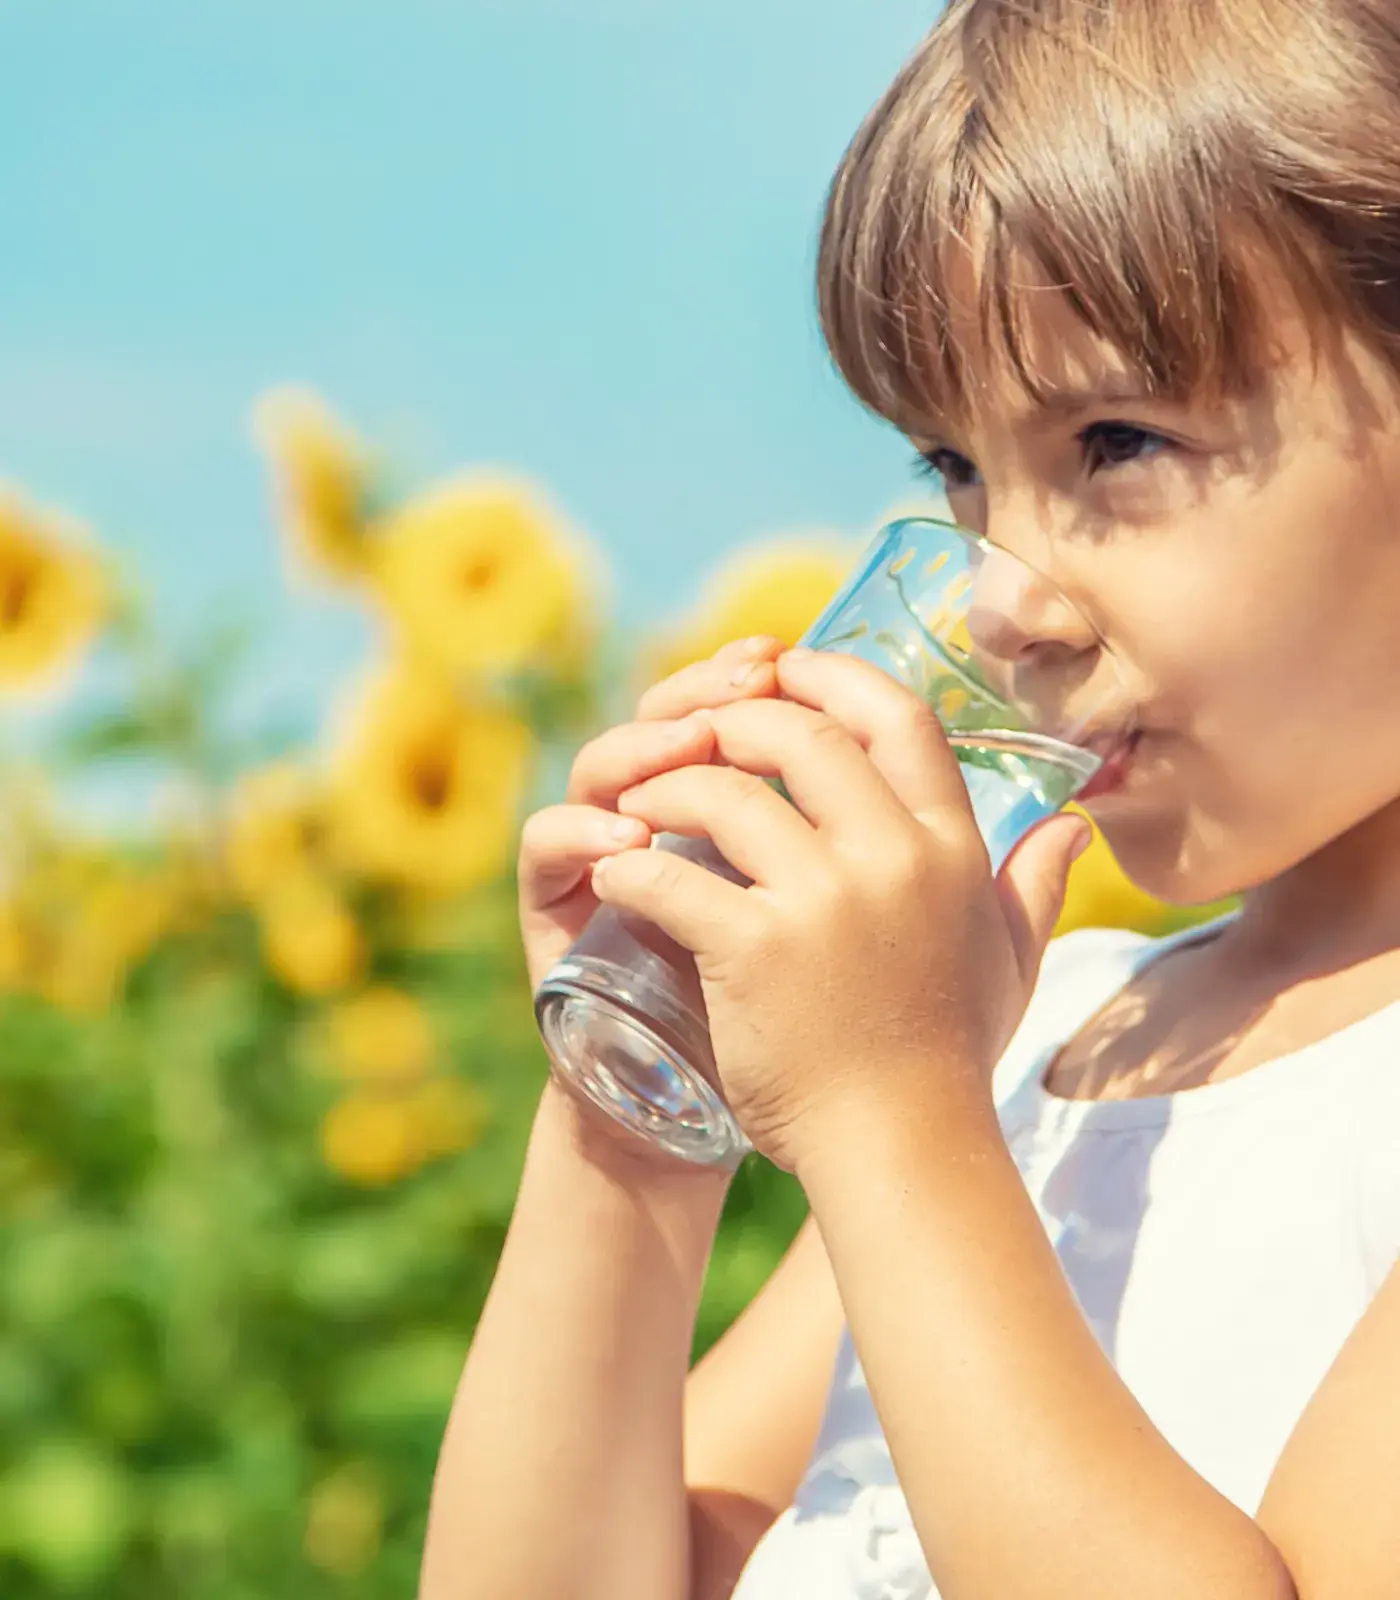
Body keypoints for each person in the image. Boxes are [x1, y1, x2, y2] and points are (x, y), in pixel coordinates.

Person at [420, 1, 1400, 1595]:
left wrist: (885, 1107)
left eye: (1120, 441)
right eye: (951, 469)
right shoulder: (1054, 1042)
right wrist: (648, 1110)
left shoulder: (939, 1105)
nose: (1003, 595)